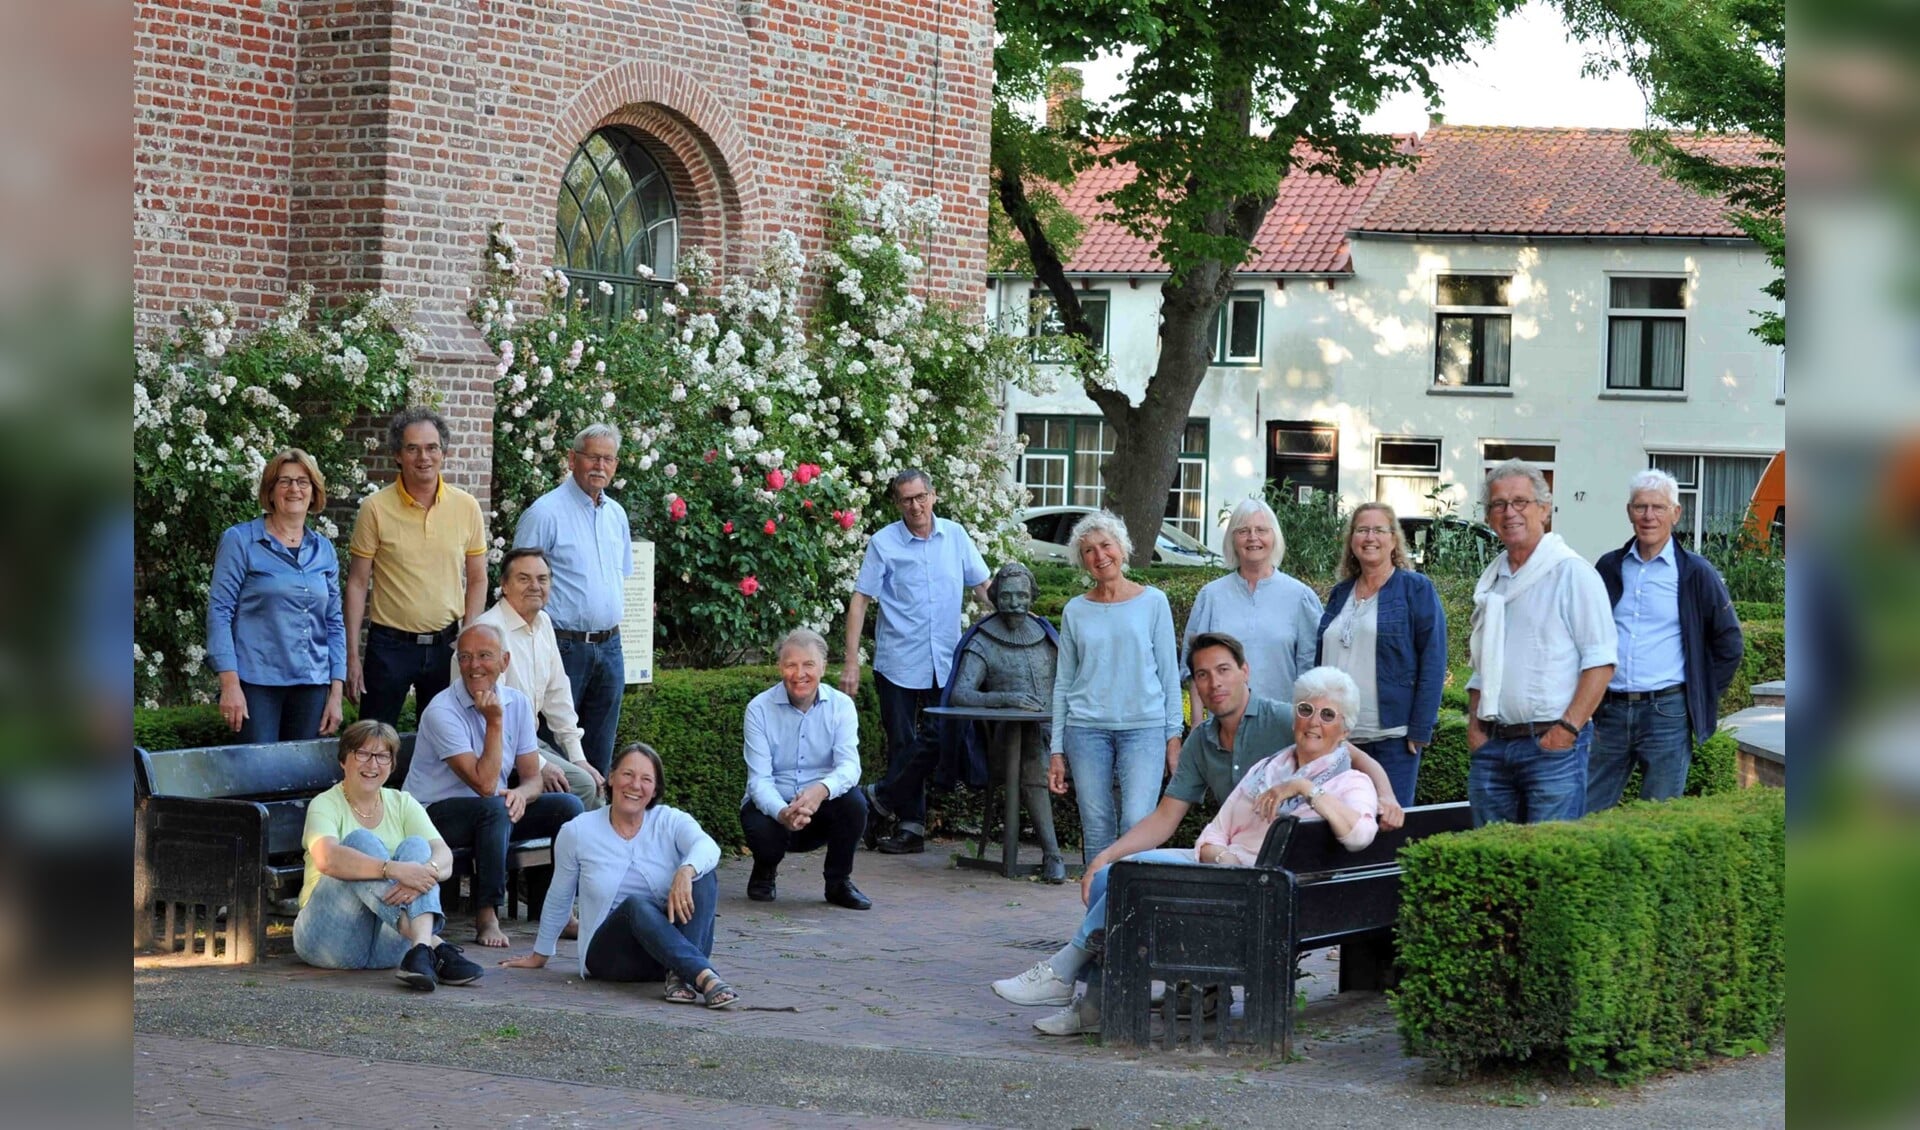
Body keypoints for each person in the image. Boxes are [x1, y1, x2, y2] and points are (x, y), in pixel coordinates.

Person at [994, 666, 1380, 1036]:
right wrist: (1220, 856)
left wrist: (1305, 789)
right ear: (1294, 716)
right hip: (1224, 874)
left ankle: (1068, 980)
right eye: (1305, 709)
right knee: (1116, 873)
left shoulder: (1350, 782)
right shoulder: (1268, 768)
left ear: (1344, 729)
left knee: (1129, 876)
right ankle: (1085, 998)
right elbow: (1214, 832)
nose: (1314, 721)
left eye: (1328, 714)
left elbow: (1360, 835)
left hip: (1262, 896)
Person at [500, 743, 738, 1008]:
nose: (635, 785)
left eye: (646, 779)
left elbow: (708, 847)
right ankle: (703, 975)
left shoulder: (670, 820)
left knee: (702, 874)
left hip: (665, 957)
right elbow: (560, 894)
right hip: (613, 958)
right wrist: (540, 955)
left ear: (656, 789)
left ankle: (680, 975)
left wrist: (686, 870)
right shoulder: (578, 831)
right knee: (635, 905)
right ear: (611, 778)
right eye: (627, 774)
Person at [403, 623, 584, 947]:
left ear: (505, 661)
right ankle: (486, 915)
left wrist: (520, 794)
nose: (474, 666)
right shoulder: (442, 710)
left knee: (568, 807)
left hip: (491, 810)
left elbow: (532, 777)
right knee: (494, 808)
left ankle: (555, 911)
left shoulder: (517, 702)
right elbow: (484, 785)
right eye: (465, 657)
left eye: (484, 656)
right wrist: (495, 722)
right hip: (431, 815)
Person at [843, 468, 990, 855]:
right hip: (898, 659)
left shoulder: (955, 536)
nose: (915, 505)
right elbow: (861, 599)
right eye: (907, 499)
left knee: (944, 736)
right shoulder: (883, 542)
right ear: (898, 503)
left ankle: (878, 798)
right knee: (903, 743)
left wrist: (1015, 618)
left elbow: (982, 586)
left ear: (933, 495)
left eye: (920, 496)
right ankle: (911, 828)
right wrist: (851, 661)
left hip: (946, 658)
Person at [1465, 460, 1617, 826]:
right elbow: (1480, 667)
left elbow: (1601, 662)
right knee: (1492, 863)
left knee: (1550, 868)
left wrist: (1565, 732)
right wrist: (1474, 728)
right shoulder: (1493, 583)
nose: (1509, 512)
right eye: (1499, 504)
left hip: (1551, 750)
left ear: (1545, 511)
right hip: (1493, 747)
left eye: (1521, 502)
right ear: (1489, 517)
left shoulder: (1573, 574)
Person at [1586, 469, 1745, 811]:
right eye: (1641, 507)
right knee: (1584, 810)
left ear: (1676, 513)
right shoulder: (1609, 567)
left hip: (1667, 713)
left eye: (1658, 507)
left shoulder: (1695, 572)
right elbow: (1586, 633)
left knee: (1659, 815)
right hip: (1609, 710)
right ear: (1629, 512)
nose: (1649, 516)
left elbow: (1729, 644)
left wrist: (1700, 693)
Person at [291, 719, 485, 991]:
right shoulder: (325, 804)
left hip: (388, 949)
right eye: (362, 754)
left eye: (382, 756)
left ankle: (419, 951)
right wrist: (392, 870)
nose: (372, 764)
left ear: (392, 765)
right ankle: (435, 947)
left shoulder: (402, 802)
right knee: (360, 842)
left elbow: (444, 857)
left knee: (419, 848)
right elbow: (327, 858)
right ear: (344, 761)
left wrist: (422, 871)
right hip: (328, 941)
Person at [1049, 510, 1184, 866]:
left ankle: (1134, 914)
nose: (1099, 556)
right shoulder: (1075, 611)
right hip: (1086, 729)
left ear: (1122, 549)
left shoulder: (1154, 602)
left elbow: (1170, 674)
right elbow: (1064, 682)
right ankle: (1100, 914)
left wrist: (1174, 736)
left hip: (1144, 728)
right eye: (1089, 551)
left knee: (1137, 823)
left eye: (1106, 545)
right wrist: (1056, 749)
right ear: (1082, 561)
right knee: (1096, 827)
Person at [345, 407, 489, 726]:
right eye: (412, 448)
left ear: (444, 453)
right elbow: (357, 583)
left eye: (431, 447)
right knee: (373, 738)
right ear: (398, 455)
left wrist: (469, 634)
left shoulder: (466, 507)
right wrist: (352, 656)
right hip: (389, 648)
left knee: (446, 745)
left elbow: (479, 579)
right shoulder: (374, 509)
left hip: (446, 648)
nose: (423, 456)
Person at [512, 423, 633, 779]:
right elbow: (519, 583)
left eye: (608, 458)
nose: (600, 466)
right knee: (555, 754)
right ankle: (553, 829)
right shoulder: (545, 513)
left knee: (600, 751)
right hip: (562, 647)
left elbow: (619, 574)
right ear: (572, 459)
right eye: (592, 457)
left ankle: (594, 829)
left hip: (610, 647)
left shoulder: (616, 515)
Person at [207, 448, 346, 742]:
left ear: (314, 492)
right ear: (270, 492)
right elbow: (220, 612)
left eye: (302, 482)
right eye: (284, 481)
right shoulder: (240, 541)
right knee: (258, 778)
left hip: (312, 684)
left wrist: (336, 691)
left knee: (302, 781)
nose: (294, 489)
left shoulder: (324, 550)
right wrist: (229, 683)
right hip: (256, 685)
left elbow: (334, 622)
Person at [1316, 502, 1446, 808]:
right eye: (1361, 530)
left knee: (1388, 826)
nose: (1369, 537)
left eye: (1378, 530)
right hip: (1337, 740)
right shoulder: (1340, 593)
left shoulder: (1416, 589)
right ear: (1351, 540)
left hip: (1393, 738)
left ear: (1393, 539)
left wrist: (1421, 728)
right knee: (1338, 828)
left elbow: (1433, 659)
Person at [945, 561, 1066, 882]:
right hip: (1008, 743)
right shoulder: (983, 640)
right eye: (1008, 596)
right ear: (996, 598)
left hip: (1057, 735)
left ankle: (1109, 853)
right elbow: (961, 694)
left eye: (1022, 596)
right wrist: (1006, 698)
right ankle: (1052, 854)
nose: (1015, 604)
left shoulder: (1045, 636)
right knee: (1029, 748)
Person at [464, 547, 605, 811]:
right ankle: (574, 851)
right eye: (524, 578)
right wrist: (540, 766)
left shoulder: (543, 624)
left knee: (593, 781)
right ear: (504, 585)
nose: (535, 586)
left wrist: (577, 758)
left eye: (542, 579)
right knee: (585, 787)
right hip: (488, 745)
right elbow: (486, 718)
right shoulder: (488, 632)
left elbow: (558, 696)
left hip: (527, 741)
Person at [742, 628, 872, 910]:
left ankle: (838, 882)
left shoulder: (841, 706)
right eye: (791, 665)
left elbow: (850, 766)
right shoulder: (758, 709)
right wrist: (782, 811)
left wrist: (821, 791)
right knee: (759, 821)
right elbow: (759, 781)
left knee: (854, 804)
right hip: (775, 806)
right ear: (780, 667)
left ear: (824, 668)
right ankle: (765, 869)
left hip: (821, 806)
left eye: (808, 664)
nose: (799, 673)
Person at [1182, 498, 1322, 707]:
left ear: (1274, 536)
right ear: (1232, 539)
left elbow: (1312, 670)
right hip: (1225, 726)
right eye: (1243, 531)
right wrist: (1197, 726)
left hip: (1283, 724)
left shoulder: (1300, 597)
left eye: (1261, 530)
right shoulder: (1211, 596)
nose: (1252, 537)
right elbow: (1194, 668)